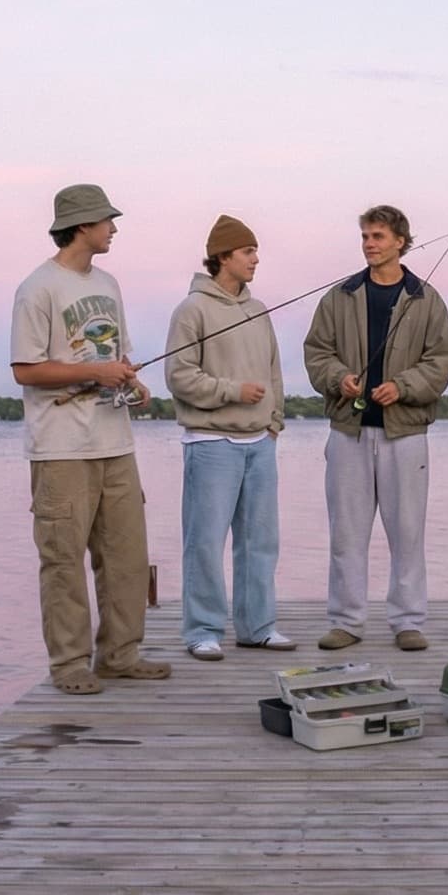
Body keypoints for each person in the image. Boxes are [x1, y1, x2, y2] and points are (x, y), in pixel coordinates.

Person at [8, 184, 173, 693]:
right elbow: (25, 370)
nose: (114, 229)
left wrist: (129, 378)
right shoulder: (37, 288)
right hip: (60, 449)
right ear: (82, 225)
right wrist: (95, 373)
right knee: (63, 561)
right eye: (107, 221)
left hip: (116, 445)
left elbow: (115, 355)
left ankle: (120, 655)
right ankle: (69, 665)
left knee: (127, 557)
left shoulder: (109, 283)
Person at [302, 204, 448, 652]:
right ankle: (346, 621)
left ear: (400, 242)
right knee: (346, 533)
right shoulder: (338, 296)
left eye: (378, 237)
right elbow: (317, 352)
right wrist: (339, 379)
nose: (369, 244)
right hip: (347, 431)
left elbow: (441, 362)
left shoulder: (427, 299)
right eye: (365, 236)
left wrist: (402, 387)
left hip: (405, 434)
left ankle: (408, 621)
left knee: (408, 533)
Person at [165, 214, 294, 661]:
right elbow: (179, 376)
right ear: (223, 257)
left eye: (255, 251)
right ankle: (202, 630)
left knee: (260, 542)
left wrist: (274, 422)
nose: (256, 259)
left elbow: (274, 372)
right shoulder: (191, 310)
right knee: (204, 543)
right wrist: (232, 392)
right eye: (248, 251)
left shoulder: (258, 311)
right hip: (210, 444)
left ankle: (258, 627)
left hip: (260, 444)